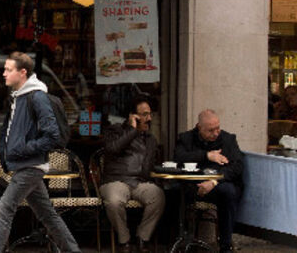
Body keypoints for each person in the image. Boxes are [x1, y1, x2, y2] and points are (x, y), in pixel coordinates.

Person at [0, 52, 80, 253]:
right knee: (47, 214)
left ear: (23, 72)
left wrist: (23, 150)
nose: (4, 74)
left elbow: (52, 135)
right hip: (25, 165)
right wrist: (8, 154)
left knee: (4, 209)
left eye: (8, 70)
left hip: (30, 165)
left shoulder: (37, 97)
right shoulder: (18, 97)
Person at [100, 95, 164, 253]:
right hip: (115, 181)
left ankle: (143, 238)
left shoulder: (150, 139)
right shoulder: (115, 130)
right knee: (114, 201)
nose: (149, 119)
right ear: (132, 116)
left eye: (150, 114)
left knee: (158, 196)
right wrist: (132, 130)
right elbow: (112, 149)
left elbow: (150, 165)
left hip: (139, 182)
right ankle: (124, 241)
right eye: (144, 115)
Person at [174, 109, 244, 253]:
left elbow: (237, 167)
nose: (216, 133)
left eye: (218, 128)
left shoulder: (228, 140)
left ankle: (225, 246)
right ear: (199, 127)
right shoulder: (186, 138)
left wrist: (213, 182)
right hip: (193, 186)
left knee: (229, 192)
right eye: (210, 130)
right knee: (172, 190)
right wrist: (206, 156)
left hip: (218, 186)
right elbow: (178, 157)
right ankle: (180, 239)